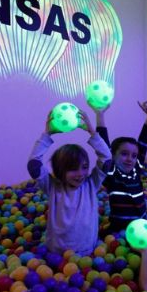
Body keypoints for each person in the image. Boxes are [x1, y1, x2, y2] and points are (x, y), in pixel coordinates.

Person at [27, 109, 111, 256]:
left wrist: (92, 132)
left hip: (86, 251)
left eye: (84, 167)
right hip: (57, 253)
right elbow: (33, 164)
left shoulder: (91, 185)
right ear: (60, 170)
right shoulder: (53, 187)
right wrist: (46, 135)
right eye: (72, 169)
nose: (80, 174)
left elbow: (107, 160)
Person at [90, 100, 147, 236]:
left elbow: (143, 143)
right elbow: (103, 146)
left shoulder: (136, 170)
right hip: (118, 230)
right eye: (124, 154)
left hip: (141, 226)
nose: (130, 158)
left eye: (134, 155)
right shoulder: (112, 173)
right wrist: (100, 115)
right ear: (113, 156)